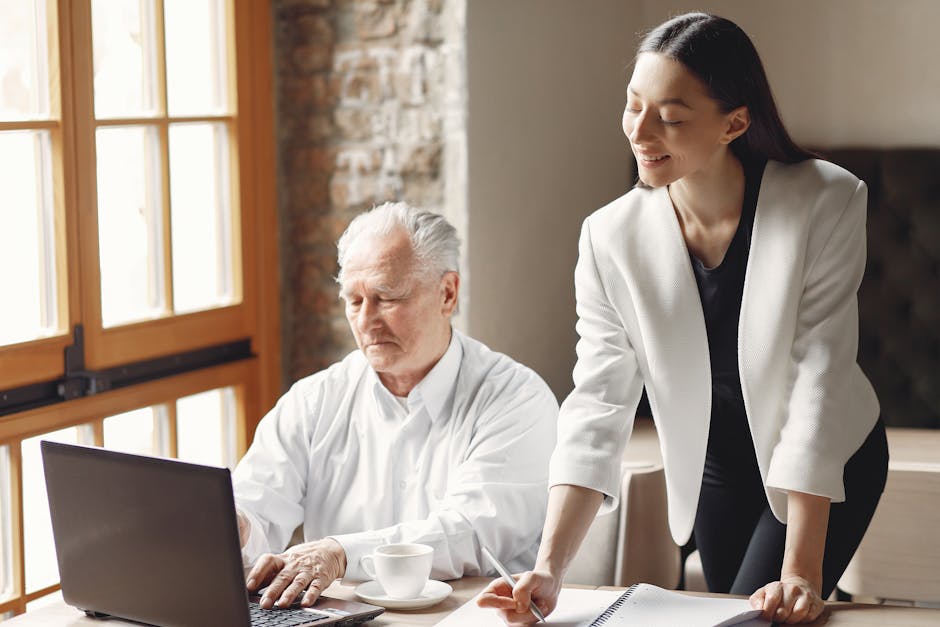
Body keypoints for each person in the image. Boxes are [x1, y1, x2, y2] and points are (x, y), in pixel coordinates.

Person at [479, 12, 888, 626]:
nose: (640, 132)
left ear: (735, 122)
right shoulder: (609, 237)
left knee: (775, 614)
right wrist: (550, 567)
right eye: (632, 106)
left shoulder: (827, 201)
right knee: (731, 617)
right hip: (716, 469)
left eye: (669, 116)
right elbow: (597, 403)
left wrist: (803, 569)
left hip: (828, 458)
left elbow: (818, 382)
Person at [234, 201, 558, 610]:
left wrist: (340, 555)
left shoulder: (516, 399)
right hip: (340, 621)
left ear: (447, 293)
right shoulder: (314, 400)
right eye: (354, 300)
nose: (367, 320)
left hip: (472, 618)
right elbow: (257, 501)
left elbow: (471, 534)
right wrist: (238, 524)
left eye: (386, 297)